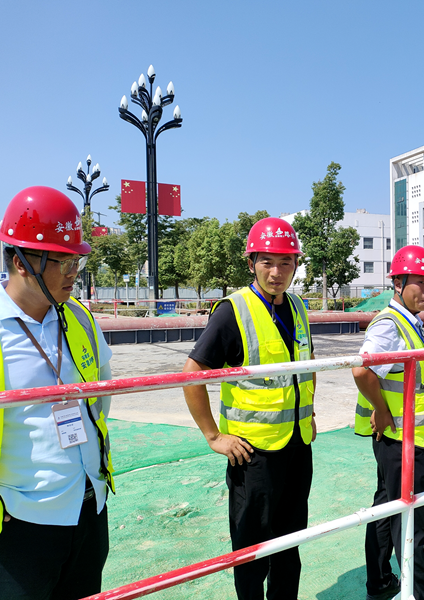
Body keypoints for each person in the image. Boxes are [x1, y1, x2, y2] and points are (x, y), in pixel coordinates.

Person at [182, 217, 316, 600]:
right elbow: (192, 374)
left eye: (286, 263)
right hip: (253, 455)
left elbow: (304, 367)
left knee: (290, 544)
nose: (277, 273)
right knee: (251, 549)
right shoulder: (232, 311)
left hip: (297, 445)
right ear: (251, 262)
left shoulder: (298, 307)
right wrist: (214, 436)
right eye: (267, 262)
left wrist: (310, 415)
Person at [0, 186, 115, 599]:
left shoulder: (81, 318)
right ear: (20, 262)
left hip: (89, 506)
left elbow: (101, 392)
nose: (73, 272)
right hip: (21, 522)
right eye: (61, 260)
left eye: (76, 260)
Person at [353, 245, 424, 600]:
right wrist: (382, 408)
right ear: (398, 282)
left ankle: (379, 580)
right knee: (410, 517)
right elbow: (362, 370)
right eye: (419, 283)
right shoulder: (391, 324)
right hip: (402, 438)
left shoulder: (407, 321)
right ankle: (420, 592)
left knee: (385, 506)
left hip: (403, 436)